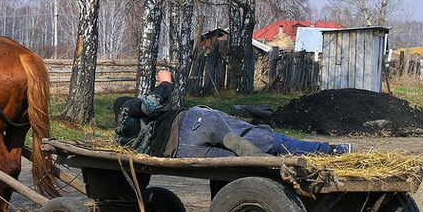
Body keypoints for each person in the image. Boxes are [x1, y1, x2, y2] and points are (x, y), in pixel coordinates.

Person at [114, 70, 352, 158]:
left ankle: (262, 158)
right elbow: (151, 106)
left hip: (182, 151)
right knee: (266, 139)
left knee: (245, 158)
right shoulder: (127, 108)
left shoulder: (123, 139)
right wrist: (166, 83)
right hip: (192, 123)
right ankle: (331, 151)